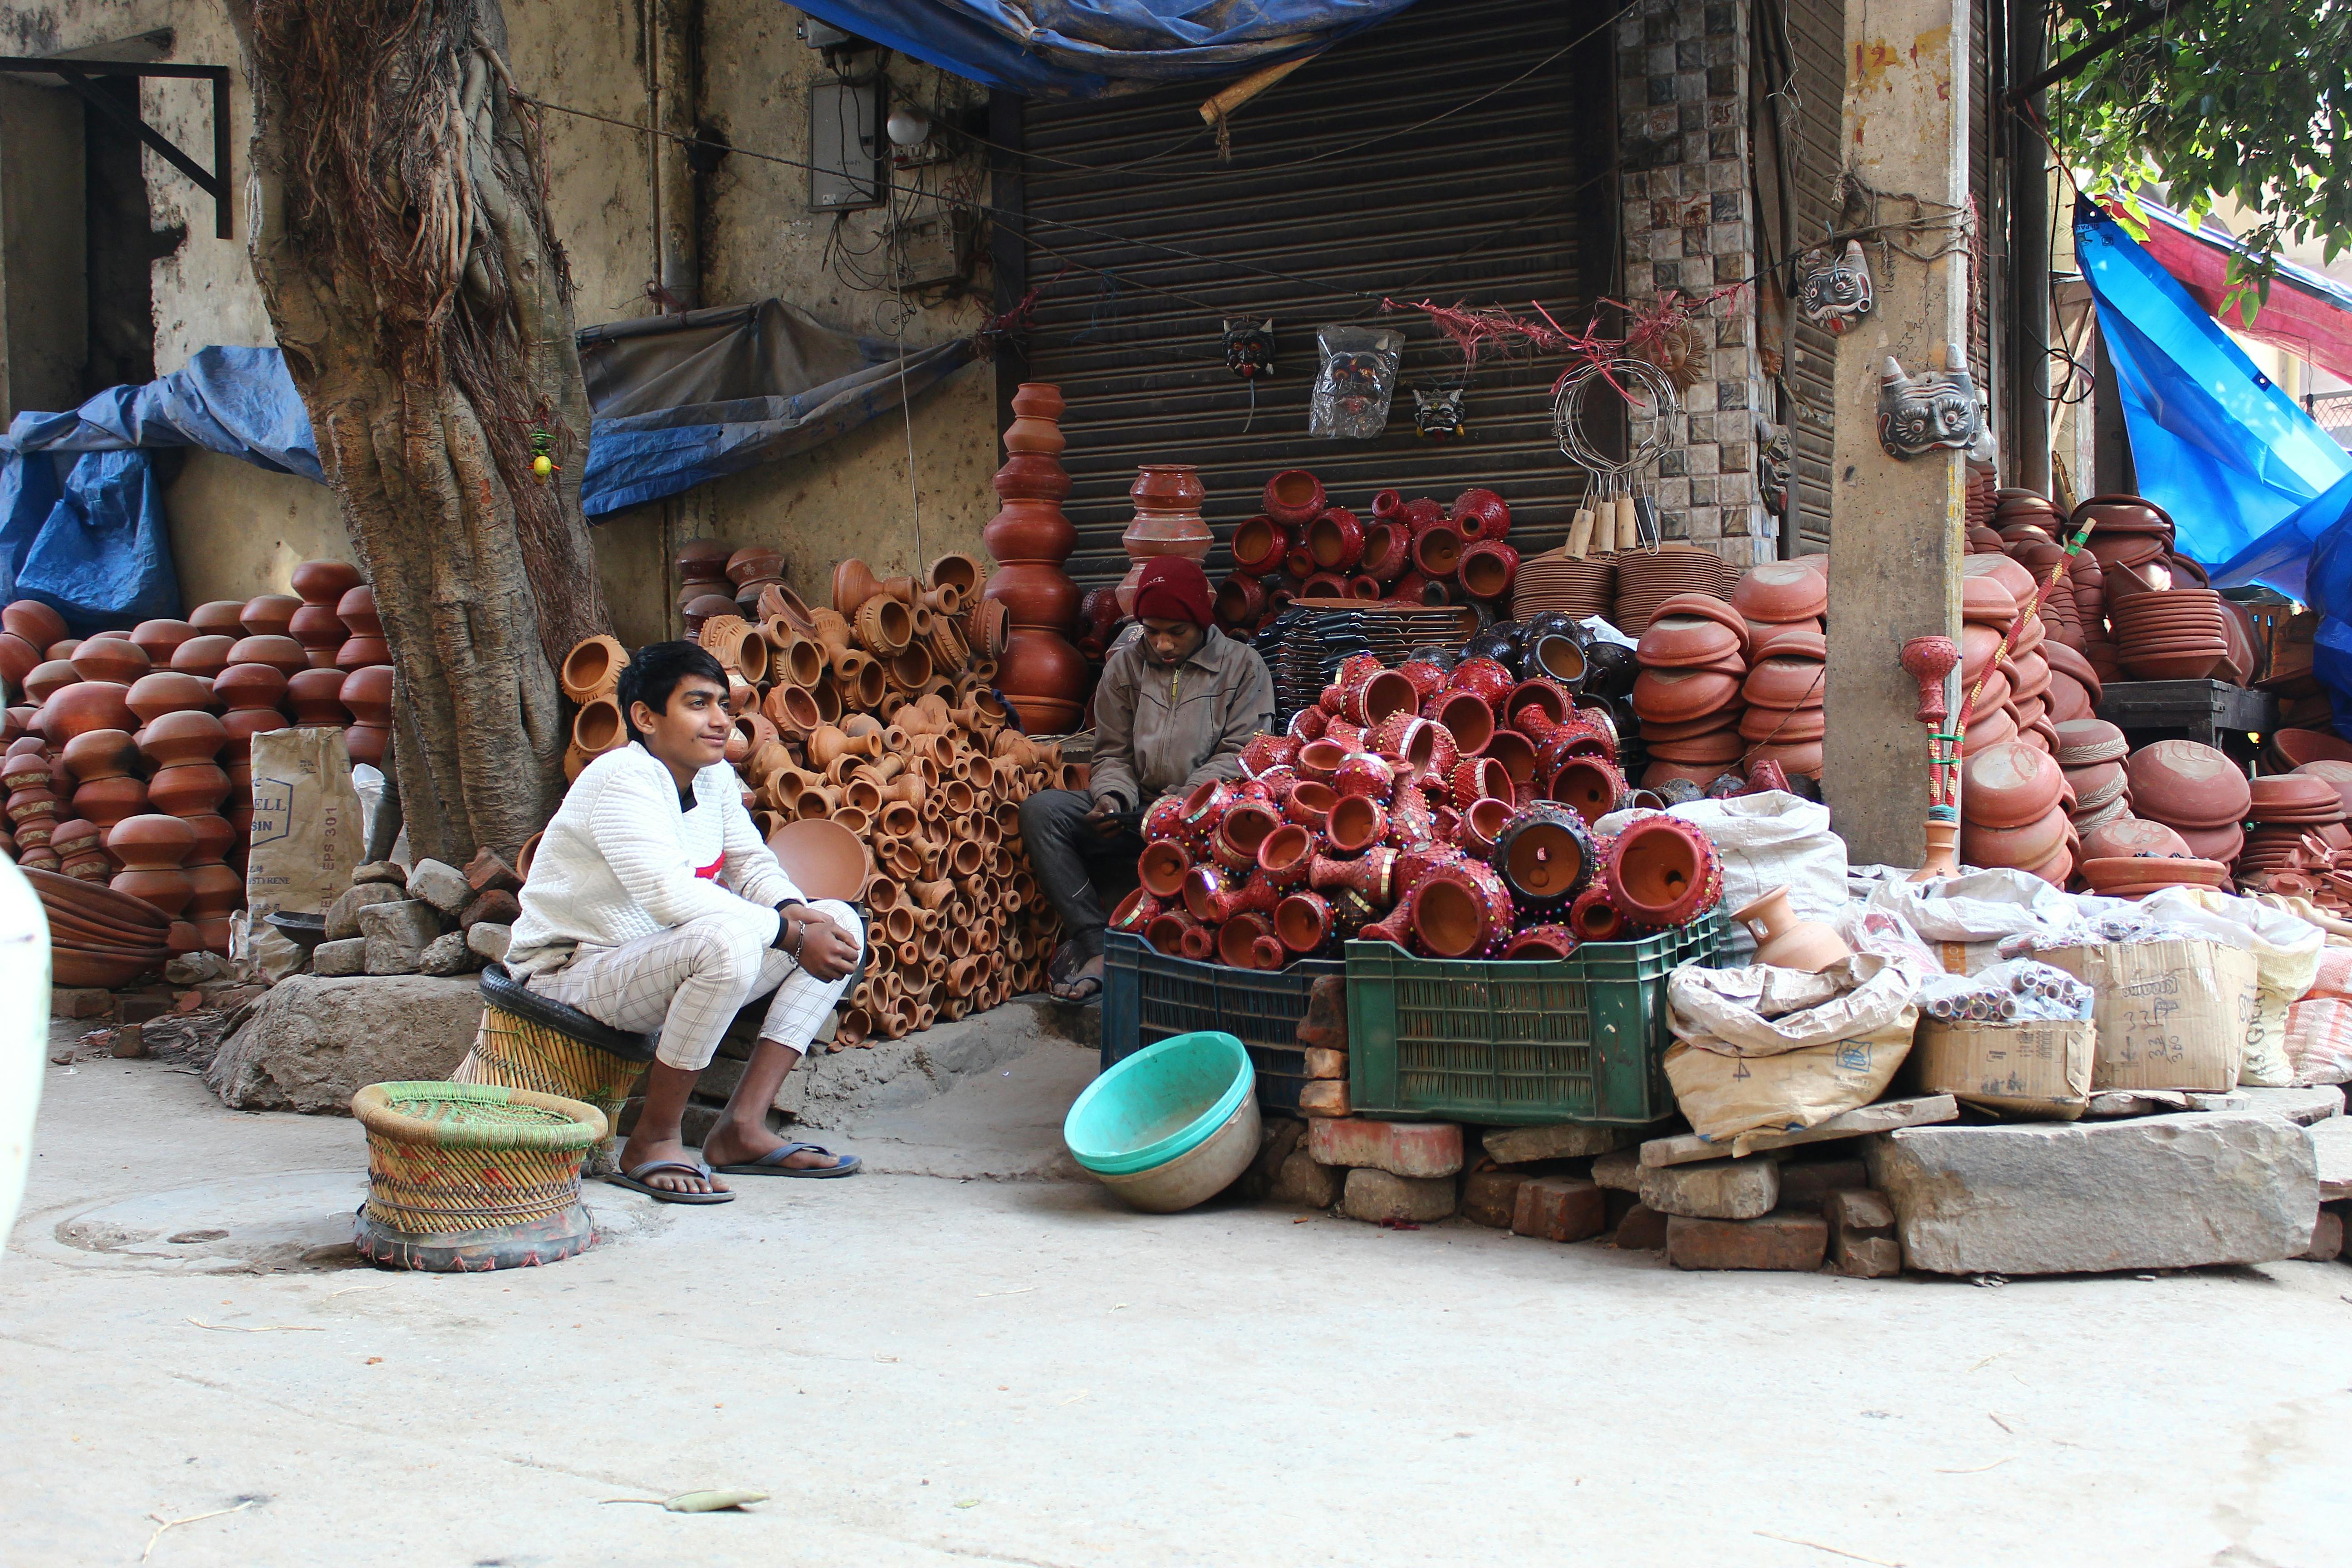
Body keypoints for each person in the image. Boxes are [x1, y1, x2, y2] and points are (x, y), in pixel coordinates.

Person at [504, 641, 865, 1203]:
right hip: (569, 970)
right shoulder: (621, 776)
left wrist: (800, 917)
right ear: (645, 717)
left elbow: (751, 866)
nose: (720, 720)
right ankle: (653, 1139)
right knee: (727, 940)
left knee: (838, 919)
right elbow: (671, 896)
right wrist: (792, 937)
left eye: (723, 704)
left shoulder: (712, 777)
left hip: (650, 959)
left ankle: (741, 1128)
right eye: (698, 704)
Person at [1019, 556, 1274, 1002]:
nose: (1163, 644)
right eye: (1153, 630)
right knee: (1044, 812)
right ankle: (1095, 946)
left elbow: (1243, 755)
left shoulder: (1243, 667)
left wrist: (1179, 804)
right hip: (1136, 811)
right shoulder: (1125, 669)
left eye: (1177, 631)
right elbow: (1112, 752)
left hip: (1205, 818)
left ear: (1201, 621)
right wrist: (1112, 798)